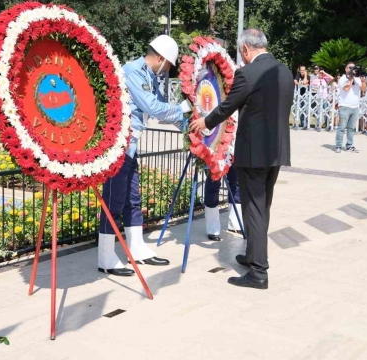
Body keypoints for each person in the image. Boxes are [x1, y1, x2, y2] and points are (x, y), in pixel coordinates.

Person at [190, 28, 293, 290]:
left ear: (246, 49)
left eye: (241, 53)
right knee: (262, 208)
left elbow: (227, 107)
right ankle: (252, 256)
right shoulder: (285, 71)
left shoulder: (247, 73)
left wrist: (205, 121)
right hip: (276, 152)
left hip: (253, 153)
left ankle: (258, 272)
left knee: (254, 210)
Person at [97, 35, 192, 276]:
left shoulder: (150, 76)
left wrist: (192, 126)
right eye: (168, 65)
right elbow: (152, 107)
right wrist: (181, 108)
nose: (167, 70)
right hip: (118, 145)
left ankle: (137, 248)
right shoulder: (132, 71)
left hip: (131, 145)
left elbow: (164, 111)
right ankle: (105, 256)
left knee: (132, 198)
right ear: (160, 58)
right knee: (114, 199)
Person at [334, 62, 367, 152]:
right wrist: (351, 78)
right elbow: (346, 88)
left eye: (353, 68)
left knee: (351, 128)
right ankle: (338, 145)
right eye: (350, 67)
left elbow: (364, 89)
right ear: (346, 69)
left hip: (355, 107)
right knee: (341, 127)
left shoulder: (357, 79)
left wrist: (363, 80)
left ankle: (350, 145)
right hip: (344, 106)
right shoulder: (342, 79)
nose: (352, 69)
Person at [204, 166, 242, 241]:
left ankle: (235, 224)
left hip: (233, 155)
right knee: (213, 184)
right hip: (214, 156)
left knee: (236, 182)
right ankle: (213, 228)